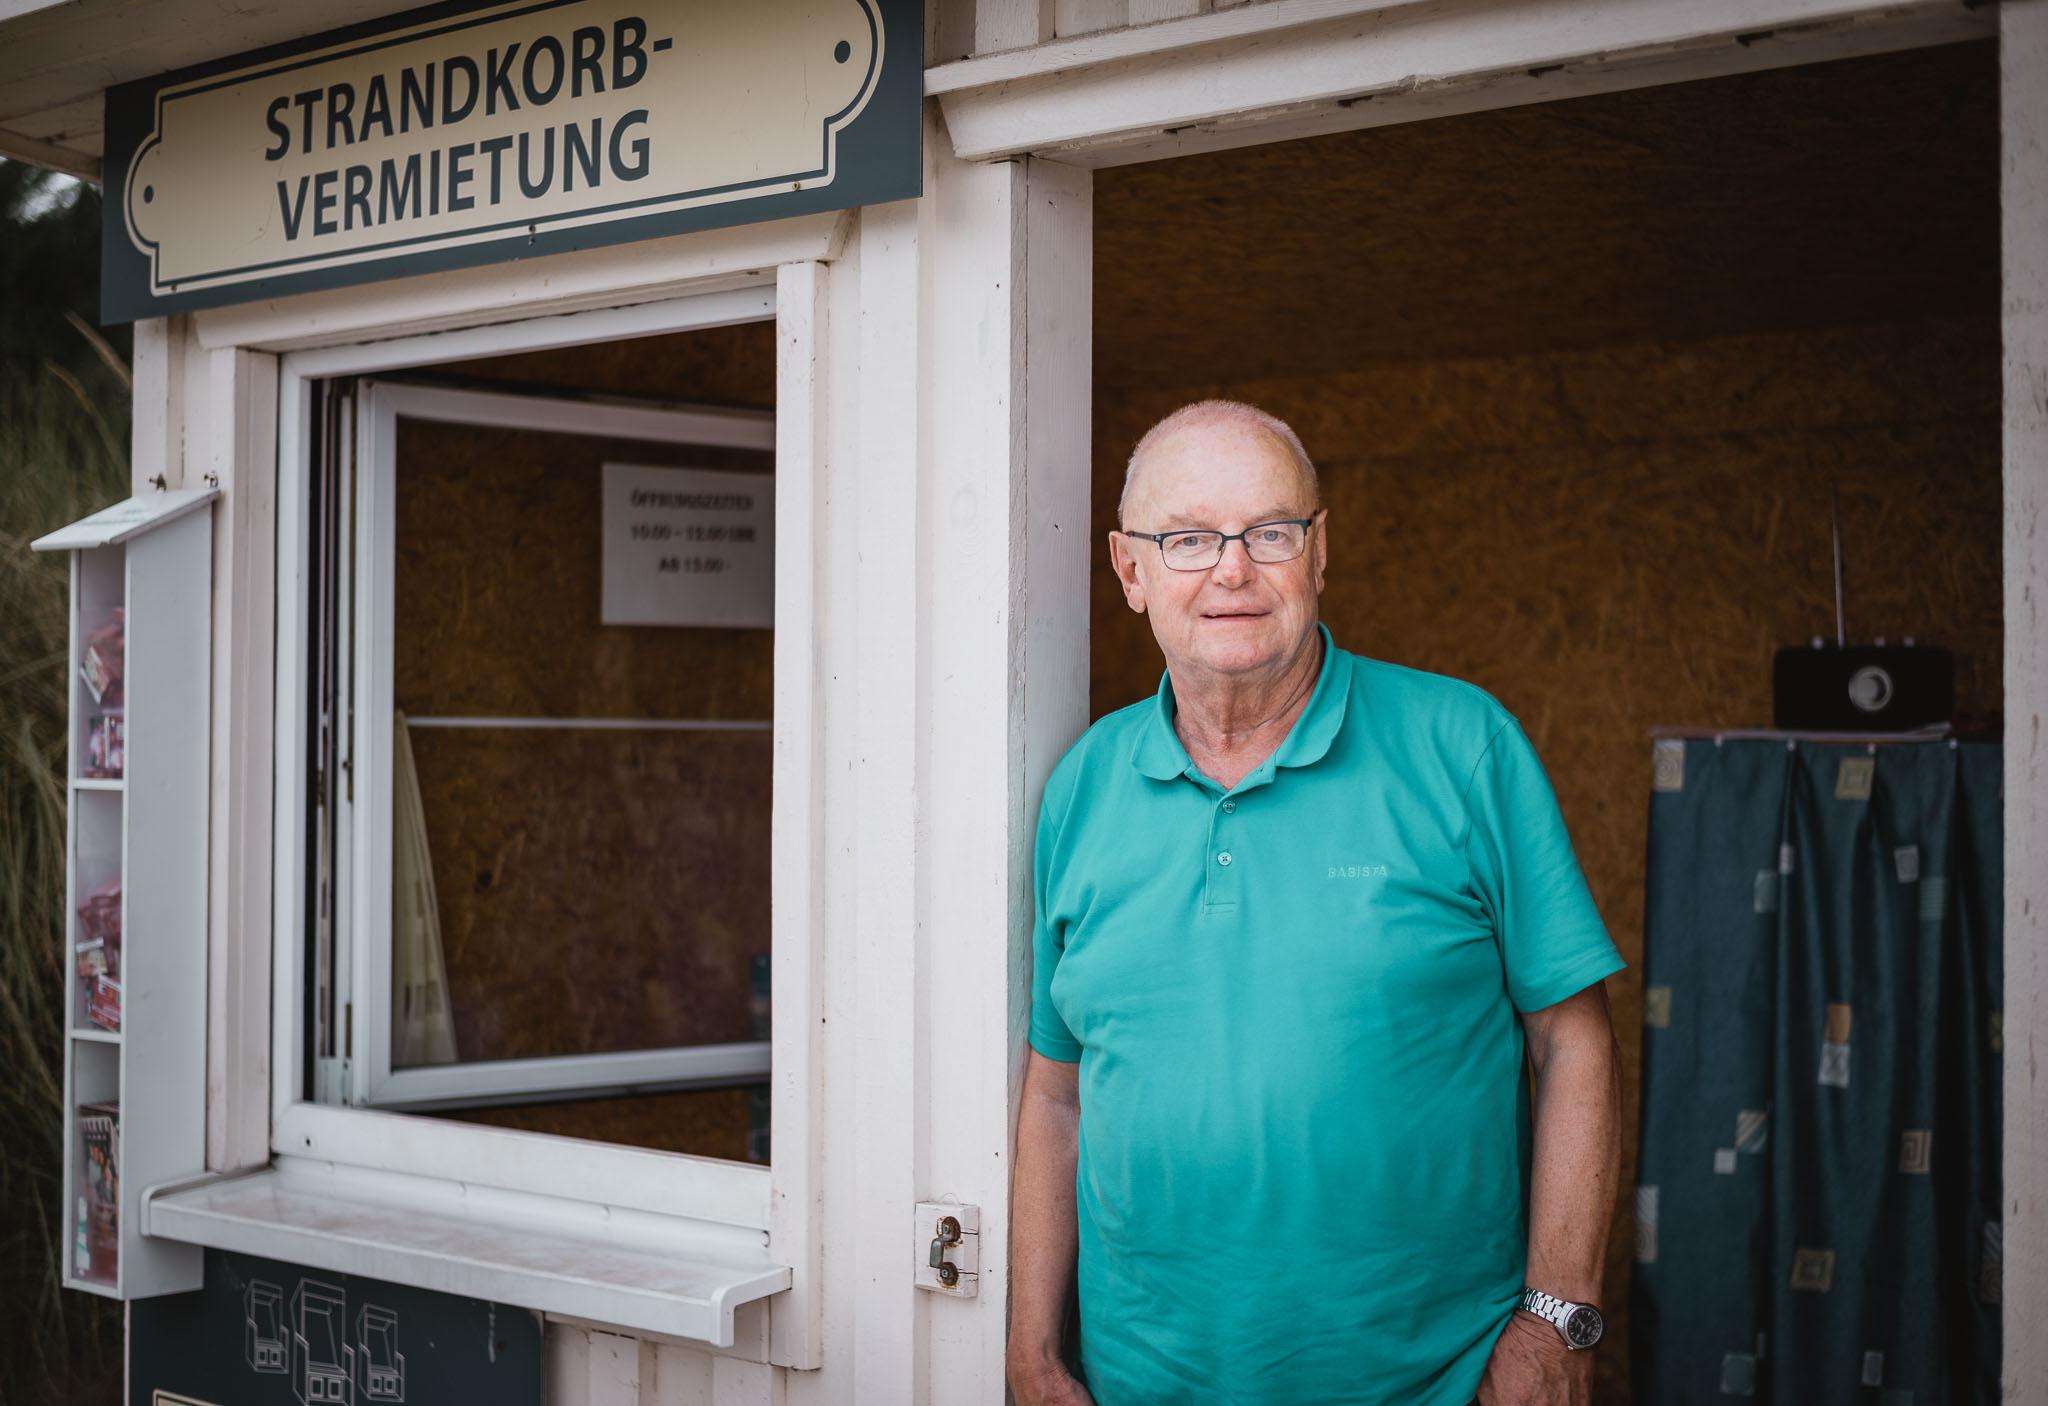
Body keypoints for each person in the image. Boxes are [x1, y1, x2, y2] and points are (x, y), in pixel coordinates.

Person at [1008, 400, 1625, 1406]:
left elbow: (1574, 1042)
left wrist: (1557, 1317)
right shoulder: (1080, 787)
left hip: (1432, 1379)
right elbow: (1056, 1097)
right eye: (1188, 538)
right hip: (1141, 1381)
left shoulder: (1461, 745)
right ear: (1129, 570)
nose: (1232, 569)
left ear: (1318, 550)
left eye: (1269, 531)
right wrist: (1030, 1356)